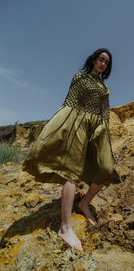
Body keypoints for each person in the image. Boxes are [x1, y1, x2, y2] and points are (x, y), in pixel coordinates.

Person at [22, 48, 113, 251]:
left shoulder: (105, 89)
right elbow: (69, 104)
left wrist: (102, 133)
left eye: (107, 62)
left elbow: (104, 114)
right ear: (93, 60)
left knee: (107, 170)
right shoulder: (79, 78)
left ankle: (83, 203)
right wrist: (58, 128)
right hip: (76, 125)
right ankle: (65, 227)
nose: (103, 64)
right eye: (101, 59)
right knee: (71, 173)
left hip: (96, 129)